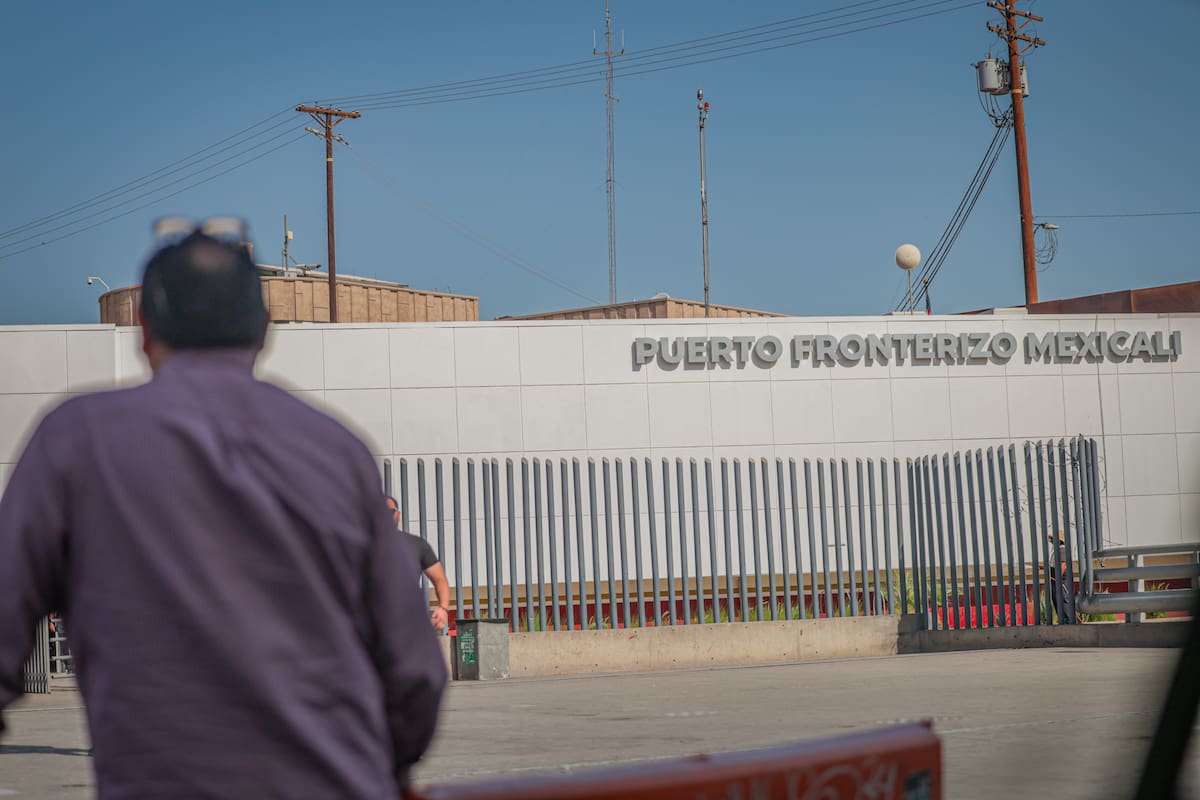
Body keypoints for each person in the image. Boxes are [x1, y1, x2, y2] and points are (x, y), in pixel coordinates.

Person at [0, 218, 446, 799]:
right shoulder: (335, 450)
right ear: (263, 329)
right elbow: (413, 667)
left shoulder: (75, 441)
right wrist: (387, 767)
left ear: (144, 328)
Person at [386, 496, 452, 632]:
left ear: (397, 515)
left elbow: (440, 579)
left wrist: (443, 608)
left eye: (389, 512)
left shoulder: (417, 545)